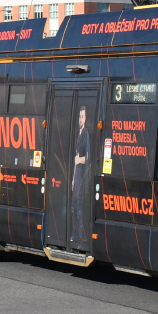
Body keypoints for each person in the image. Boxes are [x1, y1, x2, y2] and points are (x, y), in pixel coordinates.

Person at [70, 105, 90, 249]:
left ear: (86, 118)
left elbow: (88, 157)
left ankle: (80, 237)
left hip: (82, 178)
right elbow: (75, 160)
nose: (80, 119)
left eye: (82, 116)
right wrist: (72, 179)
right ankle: (74, 234)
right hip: (76, 178)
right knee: (73, 208)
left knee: (79, 210)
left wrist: (80, 160)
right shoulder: (78, 135)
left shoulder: (86, 134)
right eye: (79, 116)